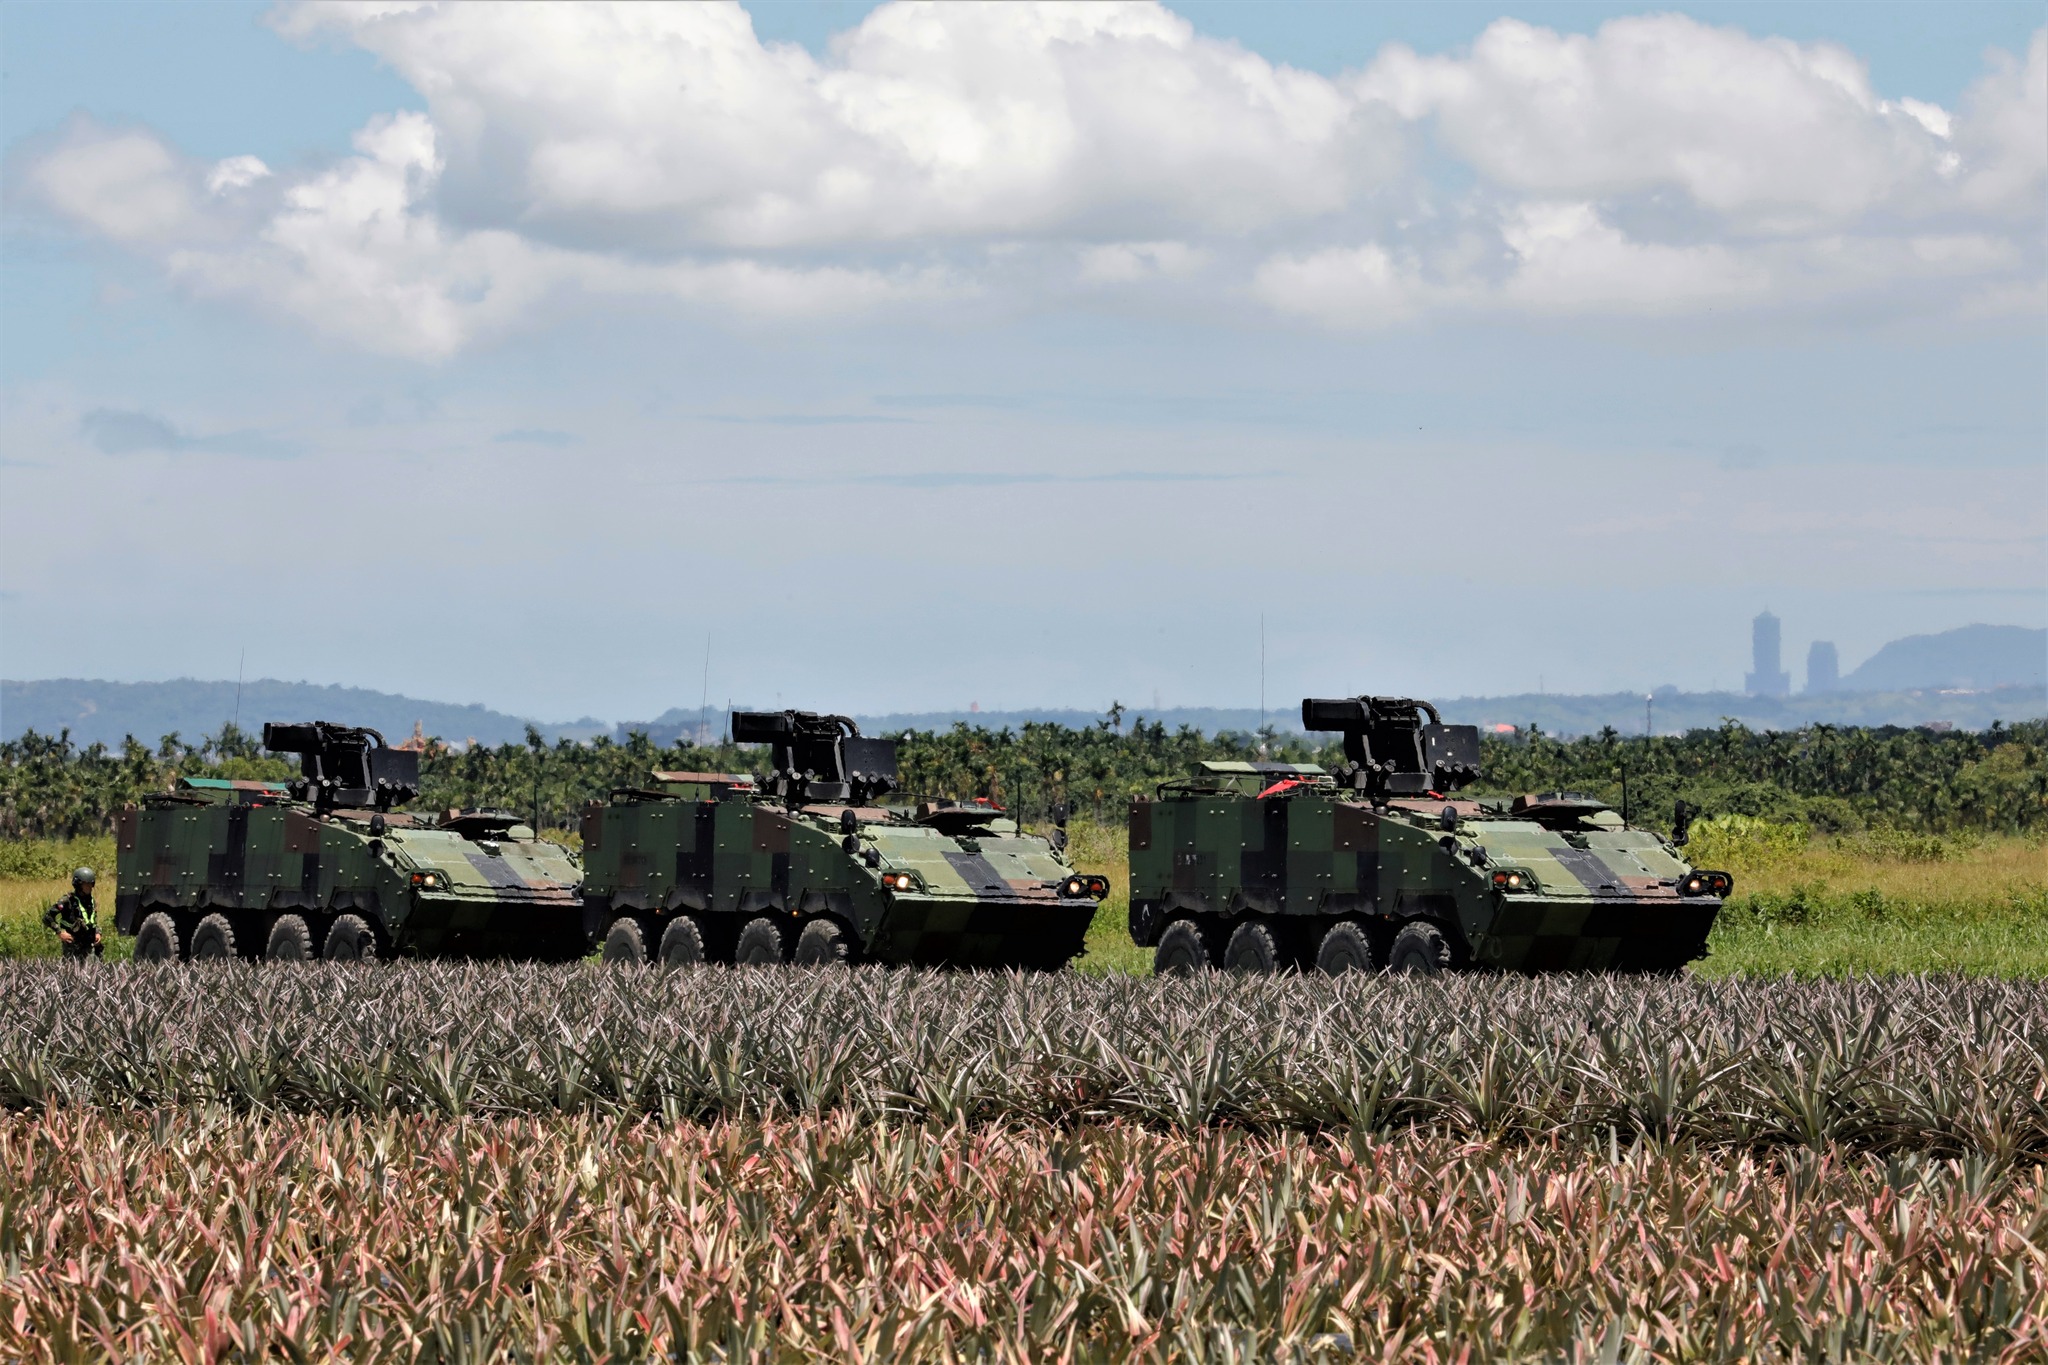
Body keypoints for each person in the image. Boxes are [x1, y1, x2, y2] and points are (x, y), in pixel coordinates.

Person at [43, 867, 104, 960]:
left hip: (89, 942)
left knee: (93, 970)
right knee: (72, 970)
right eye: (85, 884)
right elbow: (48, 916)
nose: (89, 887)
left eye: (90, 884)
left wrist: (98, 933)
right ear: (78, 884)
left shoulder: (91, 901)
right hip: (73, 943)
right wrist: (59, 932)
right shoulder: (67, 900)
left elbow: (92, 921)